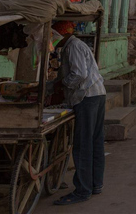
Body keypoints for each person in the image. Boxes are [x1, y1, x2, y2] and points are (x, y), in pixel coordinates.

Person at [52, 22, 106, 206]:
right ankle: (95, 184)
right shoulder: (77, 45)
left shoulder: (73, 46)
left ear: (62, 35)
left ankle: (83, 190)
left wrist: (61, 85)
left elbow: (79, 74)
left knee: (83, 144)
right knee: (95, 142)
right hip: (97, 94)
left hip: (86, 97)